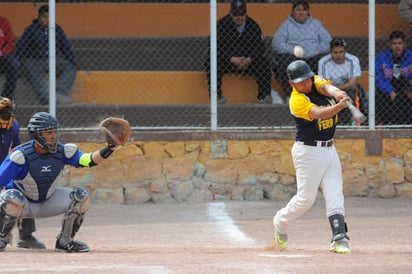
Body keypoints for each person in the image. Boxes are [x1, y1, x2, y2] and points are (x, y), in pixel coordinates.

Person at [0, 112, 121, 252]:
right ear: (36, 134)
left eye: (54, 132)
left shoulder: (62, 151)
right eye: (47, 132)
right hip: (22, 206)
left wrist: (109, 149)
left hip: (47, 201)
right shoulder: (20, 156)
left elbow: (88, 160)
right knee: (11, 198)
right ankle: (2, 239)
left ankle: (65, 241)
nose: (52, 136)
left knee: (81, 196)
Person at [273, 60, 351, 254]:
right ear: (292, 84)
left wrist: (337, 93)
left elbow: (325, 86)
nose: (306, 84)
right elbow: (320, 114)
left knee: (335, 193)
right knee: (305, 200)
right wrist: (339, 106)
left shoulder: (314, 81)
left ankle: (339, 237)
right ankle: (280, 221)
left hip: (329, 149)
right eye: (300, 82)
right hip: (308, 153)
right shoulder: (296, 100)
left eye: (307, 79)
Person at [204, 0, 273, 104]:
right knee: (211, 62)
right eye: (236, 14)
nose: (239, 17)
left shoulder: (253, 25)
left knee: (264, 63)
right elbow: (212, 46)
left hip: (248, 62)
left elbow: (260, 47)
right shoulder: (221, 25)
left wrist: (249, 59)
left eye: (242, 14)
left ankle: (263, 95)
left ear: (246, 13)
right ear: (231, 14)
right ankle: (216, 96)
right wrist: (231, 58)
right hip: (227, 61)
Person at [17, 4, 77, 105]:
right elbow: (21, 48)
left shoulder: (57, 29)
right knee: (28, 64)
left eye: (51, 17)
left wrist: (72, 63)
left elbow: (66, 48)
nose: (48, 20)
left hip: (51, 61)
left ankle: (60, 94)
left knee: (70, 67)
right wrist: (20, 64)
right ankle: (45, 97)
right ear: (39, 17)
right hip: (34, 61)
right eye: (45, 17)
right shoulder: (31, 30)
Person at [272, 1, 331, 101]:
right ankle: (290, 96)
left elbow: (328, 41)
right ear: (293, 12)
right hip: (293, 57)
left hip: (313, 55)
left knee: (323, 61)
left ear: (308, 12)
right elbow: (276, 43)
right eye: (298, 10)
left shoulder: (316, 24)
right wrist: (293, 50)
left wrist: (318, 50)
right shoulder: (286, 25)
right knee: (284, 61)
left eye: (304, 10)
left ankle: (316, 96)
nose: (301, 12)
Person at [318, 38, 368, 125]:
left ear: (345, 51)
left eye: (341, 52)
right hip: (330, 91)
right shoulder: (323, 62)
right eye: (335, 52)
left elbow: (352, 84)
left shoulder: (353, 60)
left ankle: (352, 123)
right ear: (330, 52)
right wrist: (335, 91)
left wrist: (335, 89)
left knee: (354, 91)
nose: (338, 55)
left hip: (346, 90)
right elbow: (324, 85)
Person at [375, 30, 412, 125]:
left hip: (405, 85)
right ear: (390, 44)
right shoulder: (381, 57)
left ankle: (406, 123)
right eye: (394, 43)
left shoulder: (410, 56)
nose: (397, 46)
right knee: (380, 94)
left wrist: (409, 89)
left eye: (400, 43)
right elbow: (379, 79)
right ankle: (387, 122)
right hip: (389, 84)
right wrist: (390, 91)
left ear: (404, 44)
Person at [0, 16, 20, 100]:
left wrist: (2, 52)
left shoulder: (3, 22)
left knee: (14, 63)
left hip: (2, 57)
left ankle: (6, 98)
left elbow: (11, 43)